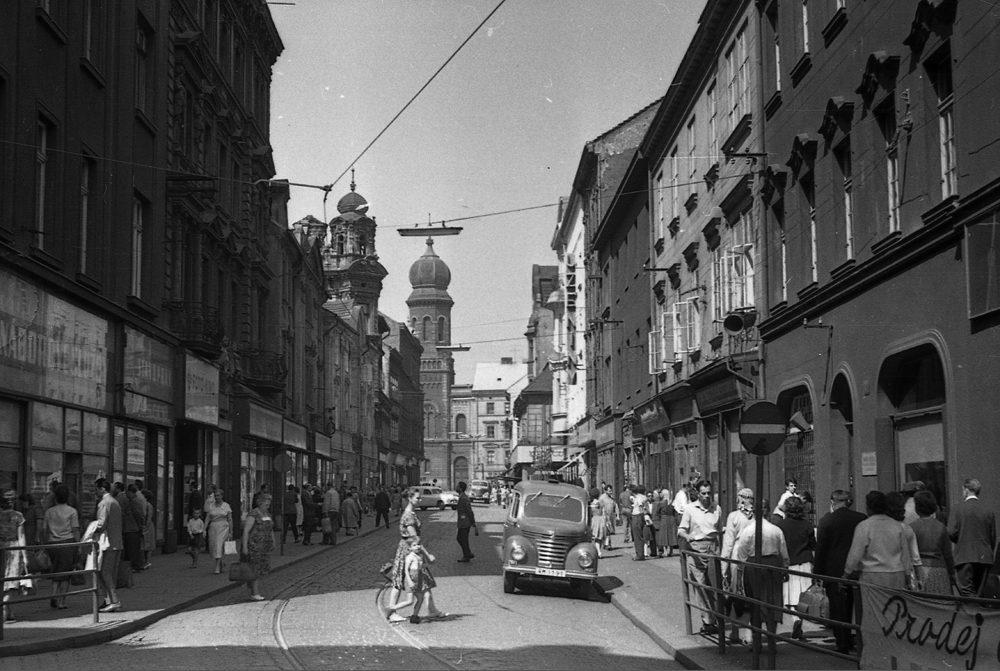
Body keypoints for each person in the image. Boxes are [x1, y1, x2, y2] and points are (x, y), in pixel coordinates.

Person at [814, 489, 867, 654]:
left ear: (833, 502)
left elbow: (821, 549)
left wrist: (817, 572)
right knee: (855, 606)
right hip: (857, 569)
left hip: (834, 570)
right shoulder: (861, 518)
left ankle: (842, 642)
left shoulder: (826, 521)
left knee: (838, 608)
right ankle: (856, 639)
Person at [386, 488, 447, 623]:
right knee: (399, 581)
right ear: (410, 498)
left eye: (420, 498)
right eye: (417, 498)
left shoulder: (412, 513)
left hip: (413, 549)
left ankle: (432, 610)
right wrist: (428, 555)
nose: (420, 500)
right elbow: (415, 539)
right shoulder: (408, 515)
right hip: (408, 550)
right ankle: (391, 611)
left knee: (424, 579)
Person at [843, 490, 924, 590]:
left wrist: (847, 573)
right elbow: (905, 554)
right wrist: (908, 576)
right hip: (897, 574)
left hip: (872, 576)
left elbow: (855, 554)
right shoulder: (896, 526)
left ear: (868, 508)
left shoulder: (864, 526)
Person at [733, 500, 790, 642]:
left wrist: (740, 575)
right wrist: (785, 569)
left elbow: (741, 554)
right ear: (768, 511)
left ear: (754, 512)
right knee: (773, 602)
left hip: (753, 567)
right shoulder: (776, 530)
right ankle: (771, 639)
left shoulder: (748, 530)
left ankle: (756, 639)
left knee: (755, 603)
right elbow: (784, 553)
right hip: (773, 566)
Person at [677, 479, 723, 634]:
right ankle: (708, 621)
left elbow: (719, 530)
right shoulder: (690, 509)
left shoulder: (716, 508)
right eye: (703, 493)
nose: (707, 496)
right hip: (696, 550)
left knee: (715, 586)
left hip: (713, 549)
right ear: (697, 493)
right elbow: (681, 530)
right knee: (701, 586)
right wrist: (687, 537)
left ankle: (716, 617)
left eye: (709, 493)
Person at [774, 495, 815, 640]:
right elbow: (813, 545)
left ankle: (795, 619)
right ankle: (800, 620)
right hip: (805, 564)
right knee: (803, 597)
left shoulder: (780, 526)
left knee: (789, 598)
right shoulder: (807, 525)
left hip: (789, 565)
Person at [948, 477, 996, 596]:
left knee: (967, 592)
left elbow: (951, 532)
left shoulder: (957, 508)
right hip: (985, 557)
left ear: (966, 489)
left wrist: (960, 540)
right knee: (980, 592)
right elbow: (992, 537)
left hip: (965, 556)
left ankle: (972, 608)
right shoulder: (988, 511)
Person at [720, 488, 755, 644]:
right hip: (752, 557)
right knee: (751, 596)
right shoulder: (757, 516)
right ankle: (749, 633)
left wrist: (723, 566)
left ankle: (734, 631)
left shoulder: (733, 516)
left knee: (736, 594)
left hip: (737, 558)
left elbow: (728, 542)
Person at [909, 490, 957, 595]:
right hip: (940, 570)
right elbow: (948, 554)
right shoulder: (941, 527)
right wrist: (952, 573)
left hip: (919, 572)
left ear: (917, 508)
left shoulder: (911, 527)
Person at [44, 484, 80, 610]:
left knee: (56, 570)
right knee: (66, 573)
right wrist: (79, 545)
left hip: (52, 543)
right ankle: (61, 601)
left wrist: (44, 543)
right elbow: (75, 530)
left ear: (55, 497)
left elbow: (44, 529)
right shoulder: (72, 511)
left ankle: (54, 594)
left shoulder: (49, 512)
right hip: (68, 543)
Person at [92, 478, 123, 613]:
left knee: (104, 572)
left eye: (96, 489)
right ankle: (108, 600)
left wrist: (91, 529)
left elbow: (101, 524)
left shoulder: (104, 503)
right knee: (108, 572)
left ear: (102, 489)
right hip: (116, 541)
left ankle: (114, 601)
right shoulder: (115, 502)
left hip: (107, 542)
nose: (95, 492)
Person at [387, 539, 436, 624]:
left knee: (420, 598)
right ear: (409, 548)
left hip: (418, 581)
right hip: (411, 581)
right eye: (414, 545)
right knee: (410, 601)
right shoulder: (409, 557)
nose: (417, 547)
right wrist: (409, 581)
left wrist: (427, 562)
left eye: (418, 545)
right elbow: (406, 570)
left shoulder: (420, 556)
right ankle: (391, 608)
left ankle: (414, 616)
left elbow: (422, 566)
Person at [1, 490, 30, 622]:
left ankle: (9, 610)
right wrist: (25, 556)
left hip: (1, 547)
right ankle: (5, 605)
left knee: (3, 580)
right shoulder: (18, 516)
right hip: (14, 549)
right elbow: (21, 536)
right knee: (12, 581)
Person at [241, 492, 276, 601]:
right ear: (260, 502)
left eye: (269, 503)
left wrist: (273, 541)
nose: (268, 505)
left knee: (261, 568)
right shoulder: (254, 514)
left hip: (265, 546)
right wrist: (244, 547)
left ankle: (251, 588)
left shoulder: (267, 514)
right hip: (254, 545)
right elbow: (246, 531)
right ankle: (255, 592)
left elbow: (271, 529)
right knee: (255, 569)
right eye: (266, 503)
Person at [204, 488, 233, 574]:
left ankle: (217, 567)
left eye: (218, 495)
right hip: (213, 527)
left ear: (222, 496)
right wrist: (204, 529)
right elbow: (207, 518)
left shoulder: (226, 506)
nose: (216, 497)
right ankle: (221, 563)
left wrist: (231, 531)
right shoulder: (211, 505)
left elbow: (230, 519)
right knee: (213, 546)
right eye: (215, 496)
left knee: (219, 544)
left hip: (223, 527)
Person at [121, 484, 146, 572]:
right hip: (132, 528)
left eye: (127, 492)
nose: (126, 494)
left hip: (133, 529)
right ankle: (135, 565)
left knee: (132, 548)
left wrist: (140, 526)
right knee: (133, 548)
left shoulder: (134, 502)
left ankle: (135, 566)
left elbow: (138, 515)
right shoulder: (133, 501)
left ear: (130, 492)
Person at [455, 481, 478, 562]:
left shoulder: (464, 498)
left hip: (465, 522)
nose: (456, 487)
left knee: (462, 539)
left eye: (457, 486)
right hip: (462, 522)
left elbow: (469, 511)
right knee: (461, 538)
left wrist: (473, 522)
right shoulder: (461, 497)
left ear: (461, 489)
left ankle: (467, 555)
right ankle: (468, 553)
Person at [653, 487, 677, 558]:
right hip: (671, 519)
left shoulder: (661, 503)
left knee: (664, 536)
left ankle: (665, 551)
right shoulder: (672, 503)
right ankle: (671, 551)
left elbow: (657, 512)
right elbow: (675, 512)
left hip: (664, 519)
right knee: (671, 535)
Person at [630, 485, 651, 561]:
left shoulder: (639, 497)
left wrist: (642, 514)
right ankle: (641, 553)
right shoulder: (644, 497)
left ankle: (639, 555)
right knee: (641, 536)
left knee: (637, 536)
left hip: (637, 516)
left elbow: (640, 506)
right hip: (641, 517)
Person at [588, 488, 606, 557]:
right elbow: (604, 512)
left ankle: (598, 552)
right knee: (600, 537)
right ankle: (599, 551)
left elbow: (590, 513)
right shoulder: (601, 502)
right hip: (601, 520)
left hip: (594, 520)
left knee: (595, 538)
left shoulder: (591, 504)